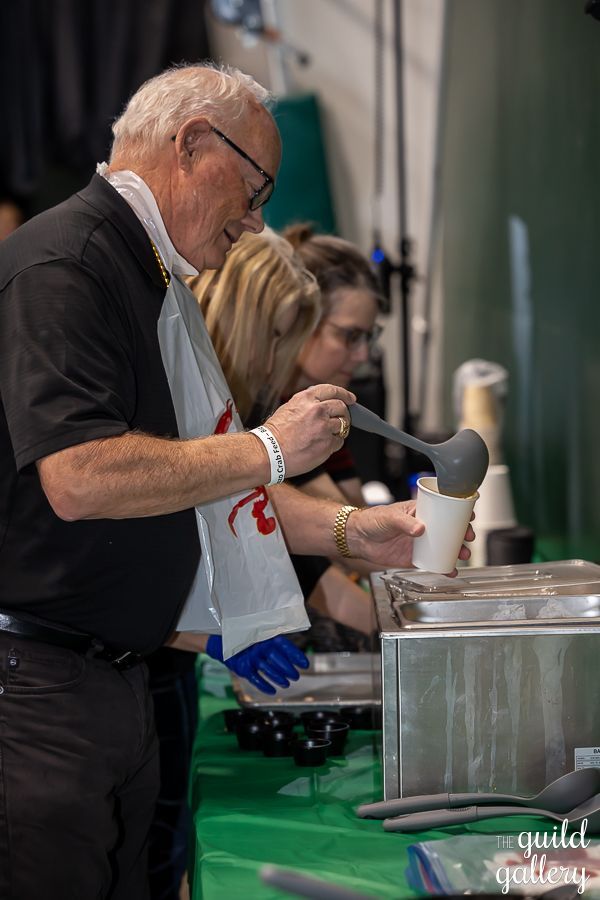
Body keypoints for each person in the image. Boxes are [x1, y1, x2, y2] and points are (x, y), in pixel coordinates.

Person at [0, 62, 470, 900]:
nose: (256, 225)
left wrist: (351, 532)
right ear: (190, 145)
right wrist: (272, 447)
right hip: (40, 700)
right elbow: (79, 476)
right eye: (254, 191)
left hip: (117, 686)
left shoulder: (151, 274)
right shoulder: (65, 266)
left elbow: (188, 472)